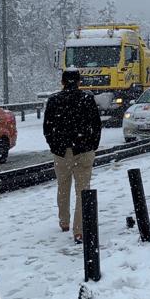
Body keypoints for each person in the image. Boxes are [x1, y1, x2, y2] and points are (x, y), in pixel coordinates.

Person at [43, 68, 102, 244]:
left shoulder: (54, 100)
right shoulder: (87, 99)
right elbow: (96, 125)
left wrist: (55, 146)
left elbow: (47, 127)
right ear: (79, 82)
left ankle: (64, 222)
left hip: (61, 152)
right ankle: (79, 230)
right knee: (83, 190)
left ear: (62, 82)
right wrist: (92, 145)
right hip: (83, 150)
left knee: (63, 186)